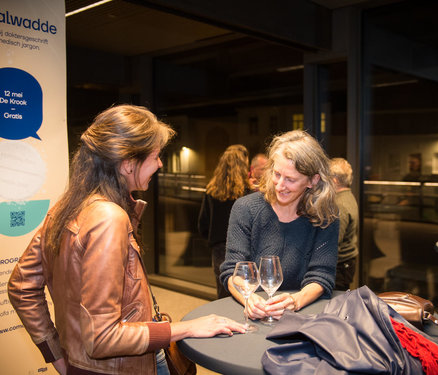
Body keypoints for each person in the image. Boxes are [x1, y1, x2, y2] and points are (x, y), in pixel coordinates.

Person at [8, 104, 245, 375]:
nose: (159, 164)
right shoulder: (108, 217)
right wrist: (187, 328)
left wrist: (57, 356)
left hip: (80, 363)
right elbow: (103, 338)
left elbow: (20, 285)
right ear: (128, 163)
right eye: (156, 156)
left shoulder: (66, 207)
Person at [219, 130, 339, 321]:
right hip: (253, 314)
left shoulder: (325, 216)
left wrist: (296, 300)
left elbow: (322, 275)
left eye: (290, 179)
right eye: (276, 174)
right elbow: (232, 270)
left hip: (304, 317)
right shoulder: (245, 208)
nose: (279, 185)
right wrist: (249, 299)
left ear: (313, 180)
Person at [198, 144, 251, 298]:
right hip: (244, 249)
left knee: (222, 293)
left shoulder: (211, 190)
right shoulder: (248, 193)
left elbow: (203, 225)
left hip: (219, 249)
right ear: (243, 164)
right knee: (244, 294)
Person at [329, 157, 359, 291]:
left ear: (334, 180)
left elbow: (334, 244)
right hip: (347, 263)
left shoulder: (339, 205)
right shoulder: (349, 196)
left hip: (340, 266)